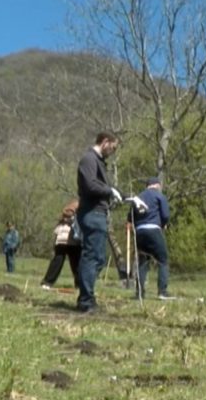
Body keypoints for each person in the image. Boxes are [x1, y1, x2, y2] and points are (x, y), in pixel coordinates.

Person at [76, 131, 122, 314]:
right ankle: (86, 300)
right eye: (113, 147)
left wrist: (127, 197)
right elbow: (89, 185)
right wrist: (109, 190)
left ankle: (85, 295)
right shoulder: (89, 159)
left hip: (99, 213)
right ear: (105, 142)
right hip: (91, 213)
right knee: (91, 256)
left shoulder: (99, 162)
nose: (113, 151)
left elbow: (100, 186)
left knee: (99, 258)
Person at [127, 176, 172, 300]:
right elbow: (166, 215)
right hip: (153, 229)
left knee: (143, 261)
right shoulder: (159, 196)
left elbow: (130, 218)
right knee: (162, 260)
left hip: (140, 232)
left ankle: (139, 293)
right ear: (157, 185)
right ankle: (162, 291)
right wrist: (163, 225)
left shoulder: (138, 198)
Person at [41, 200, 82, 289]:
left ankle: (79, 284)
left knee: (76, 262)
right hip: (65, 235)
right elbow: (67, 212)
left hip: (73, 238)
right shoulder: (77, 203)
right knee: (59, 259)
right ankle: (48, 282)